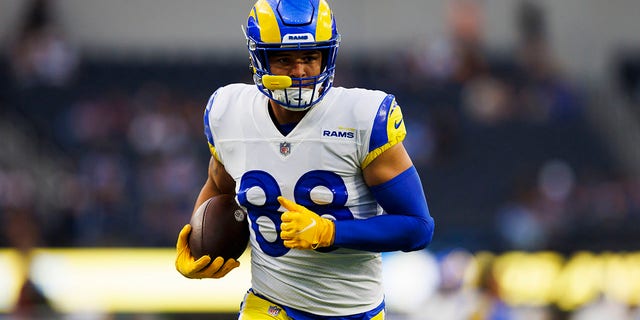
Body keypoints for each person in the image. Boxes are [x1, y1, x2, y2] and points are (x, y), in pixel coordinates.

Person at [175, 0, 435, 319]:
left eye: (310, 57)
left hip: (353, 311)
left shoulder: (363, 118)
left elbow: (418, 227)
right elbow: (219, 187)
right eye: (285, 59)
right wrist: (198, 239)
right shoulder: (229, 112)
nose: (300, 71)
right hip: (270, 304)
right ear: (260, 60)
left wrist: (328, 232)